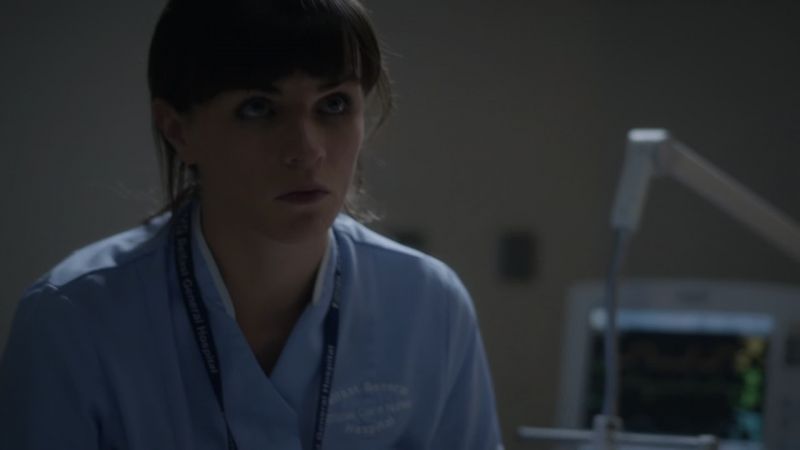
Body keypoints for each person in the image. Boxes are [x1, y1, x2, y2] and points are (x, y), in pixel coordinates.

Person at [0, 0, 504, 448]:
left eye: (334, 104)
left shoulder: (428, 305)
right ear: (177, 130)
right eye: (258, 108)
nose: (306, 150)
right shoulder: (74, 319)